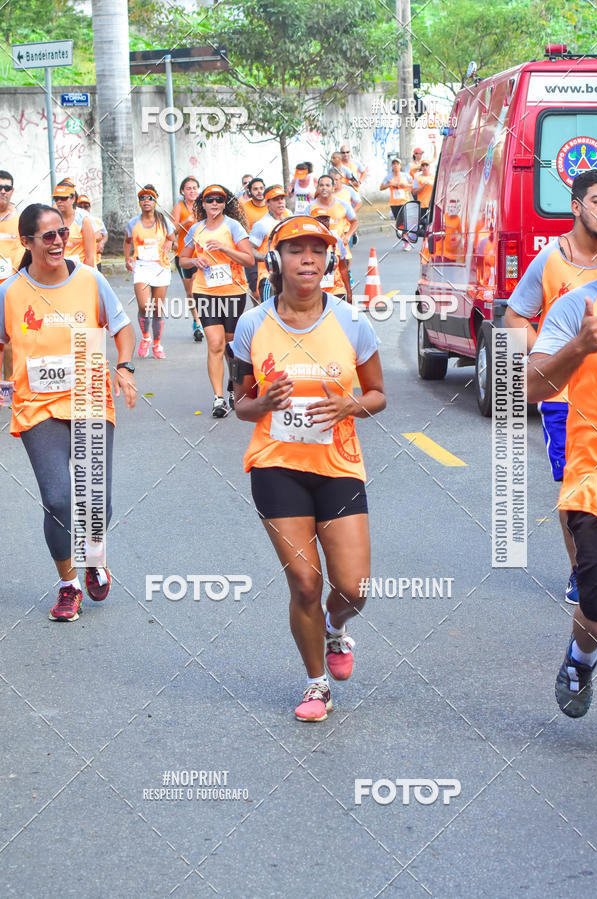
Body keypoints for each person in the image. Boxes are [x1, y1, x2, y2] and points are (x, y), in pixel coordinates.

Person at [231, 215, 385, 721]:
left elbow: (379, 395)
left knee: (353, 588)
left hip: (338, 464)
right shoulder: (253, 325)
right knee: (304, 582)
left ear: (328, 261)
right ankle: (316, 683)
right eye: (296, 250)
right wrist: (264, 402)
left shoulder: (351, 322)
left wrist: (350, 407)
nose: (307, 260)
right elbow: (241, 406)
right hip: (276, 466)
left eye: (317, 251)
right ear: (277, 260)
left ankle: (336, 628)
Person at [0, 203, 136, 621]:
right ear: (27, 242)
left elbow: (122, 327)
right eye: (48, 236)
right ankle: (68, 585)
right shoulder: (9, 291)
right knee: (58, 499)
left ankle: (93, 556)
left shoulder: (91, 280)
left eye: (62, 232)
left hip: (91, 398)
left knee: (97, 503)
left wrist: (125, 367)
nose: (58, 240)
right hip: (37, 404)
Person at [507, 170, 597, 605]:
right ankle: (580, 570)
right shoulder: (548, 260)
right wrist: (556, 352)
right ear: (577, 207)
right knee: (574, 482)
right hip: (563, 394)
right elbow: (514, 318)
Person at [527, 274, 597, 717]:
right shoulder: (579, 306)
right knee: (595, 610)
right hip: (593, 482)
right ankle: (583, 654)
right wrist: (579, 346)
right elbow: (530, 388)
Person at [180, 184, 254, 416]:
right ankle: (218, 399)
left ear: (225, 203)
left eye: (219, 200)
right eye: (209, 200)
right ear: (202, 203)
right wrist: (194, 262)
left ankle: (233, 387)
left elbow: (249, 260)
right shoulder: (196, 229)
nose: (214, 204)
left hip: (233, 291)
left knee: (231, 346)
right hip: (205, 291)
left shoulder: (234, 227)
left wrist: (224, 248)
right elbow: (182, 259)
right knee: (215, 343)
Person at [124, 185, 175, 360]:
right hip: (142, 267)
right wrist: (127, 258)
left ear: (155, 202)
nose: (146, 201)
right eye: (143, 198)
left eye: (150, 198)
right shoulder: (133, 223)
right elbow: (127, 241)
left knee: (157, 309)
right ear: (139, 203)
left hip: (160, 267)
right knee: (144, 306)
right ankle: (146, 337)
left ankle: (156, 344)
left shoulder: (164, 222)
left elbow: (173, 242)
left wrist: (169, 244)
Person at [172, 175, 204, 342]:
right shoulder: (179, 207)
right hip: (183, 256)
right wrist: (186, 221)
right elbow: (172, 231)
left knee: (200, 287)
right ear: (183, 191)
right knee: (190, 291)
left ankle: (202, 320)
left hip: (201, 255)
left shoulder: (203, 206)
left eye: (194, 188)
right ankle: (197, 322)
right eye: (188, 188)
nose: (192, 191)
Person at [249, 185, 292, 303]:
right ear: (267, 203)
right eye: (276, 199)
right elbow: (249, 249)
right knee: (270, 315)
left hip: (289, 276)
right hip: (269, 278)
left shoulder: (290, 220)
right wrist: (267, 258)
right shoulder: (262, 224)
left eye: (282, 198)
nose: (280, 202)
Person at [0, 170, 20, 380]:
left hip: (11, 288)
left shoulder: (20, 219)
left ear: (12, 191)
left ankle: (7, 385)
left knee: (9, 340)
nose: (3, 191)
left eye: (7, 188)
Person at [310, 206, 352, 301]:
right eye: (319, 219)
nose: (323, 222)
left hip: (336, 291)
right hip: (315, 292)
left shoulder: (337, 239)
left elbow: (343, 268)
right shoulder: (306, 243)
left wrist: (349, 292)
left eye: (326, 219)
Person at [52, 182, 96, 266]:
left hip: (79, 270)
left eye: (63, 198)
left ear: (73, 198)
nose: (59, 201)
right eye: (56, 198)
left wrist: (88, 276)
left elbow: (90, 255)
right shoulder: (52, 220)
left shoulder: (83, 220)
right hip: (59, 270)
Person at [76, 194, 108, 270]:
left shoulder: (97, 220)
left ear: (90, 207)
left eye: (86, 206)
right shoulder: (75, 221)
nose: (83, 208)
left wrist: (102, 244)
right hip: (79, 259)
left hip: (96, 259)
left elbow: (104, 235)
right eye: (80, 206)